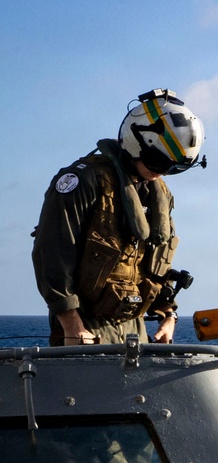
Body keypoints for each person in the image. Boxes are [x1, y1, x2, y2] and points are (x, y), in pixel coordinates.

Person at [32, 89, 205, 346]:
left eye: (175, 167)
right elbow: (52, 255)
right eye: (159, 163)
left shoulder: (158, 195)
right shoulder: (83, 181)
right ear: (136, 143)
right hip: (84, 327)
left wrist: (168, 314)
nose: (164, 173)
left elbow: (159, 262)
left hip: (135, 329)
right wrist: (71, 325)